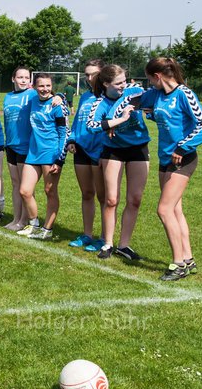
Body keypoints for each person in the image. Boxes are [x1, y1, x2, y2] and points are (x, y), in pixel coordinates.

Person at [137, 57, 202, 281]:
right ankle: (188, 260)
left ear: (157, 76)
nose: (150, 84)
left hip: (183, 159)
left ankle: (178, 263)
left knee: (164, 210)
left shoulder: (184, 94)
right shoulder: (158, 95)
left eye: (150, 80)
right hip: (165, 158)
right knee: (175, 210)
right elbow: (138, 101)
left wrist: (183, 146)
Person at [84, 63, 150, 261]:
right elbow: (92, 125)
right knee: (111, 199)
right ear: (105, 84)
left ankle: (124, 245)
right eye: (118, 83)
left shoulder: (135, 92)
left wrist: (152, 112)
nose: (124, 85)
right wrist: (118, 120)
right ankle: (108, 243)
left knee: (135, 199)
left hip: (138, 148)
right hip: (112, 150)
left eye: (124, 81)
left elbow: (155, 100)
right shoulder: (100, 103)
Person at [16, 73, 68, 240]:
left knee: (49, 191)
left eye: (48, 86)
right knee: (24, 191)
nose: (45, 89)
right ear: (34, 87)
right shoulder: (32, 100)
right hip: (33, 152)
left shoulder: (57, 105)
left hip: (51, 153)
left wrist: (59, 159)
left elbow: (64, 132)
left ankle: (47, 229)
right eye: (41, 86)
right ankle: (34, 224)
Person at [66, 59, 107, 251]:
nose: (89, 78)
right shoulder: (84, 97)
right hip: (81, 149)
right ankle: (87, 235)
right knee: (87, 194)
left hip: (100, 150)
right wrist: (72, 139)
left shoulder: (109, 97)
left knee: (103, 196)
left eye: (94, 74)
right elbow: (77, 122)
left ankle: (104, 237)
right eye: (87, 75)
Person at [1, 68, 35, 232]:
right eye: (20, 77)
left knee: (25, 186)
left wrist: (58, 97)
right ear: (13, 78)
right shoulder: (8, 97)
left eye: (26, 77)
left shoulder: (32, 94)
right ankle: (16, 218)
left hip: (25, 146)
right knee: (15, 184)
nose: (23, 80)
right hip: (11, 146)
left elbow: (50, 96)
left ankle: (24, 220)